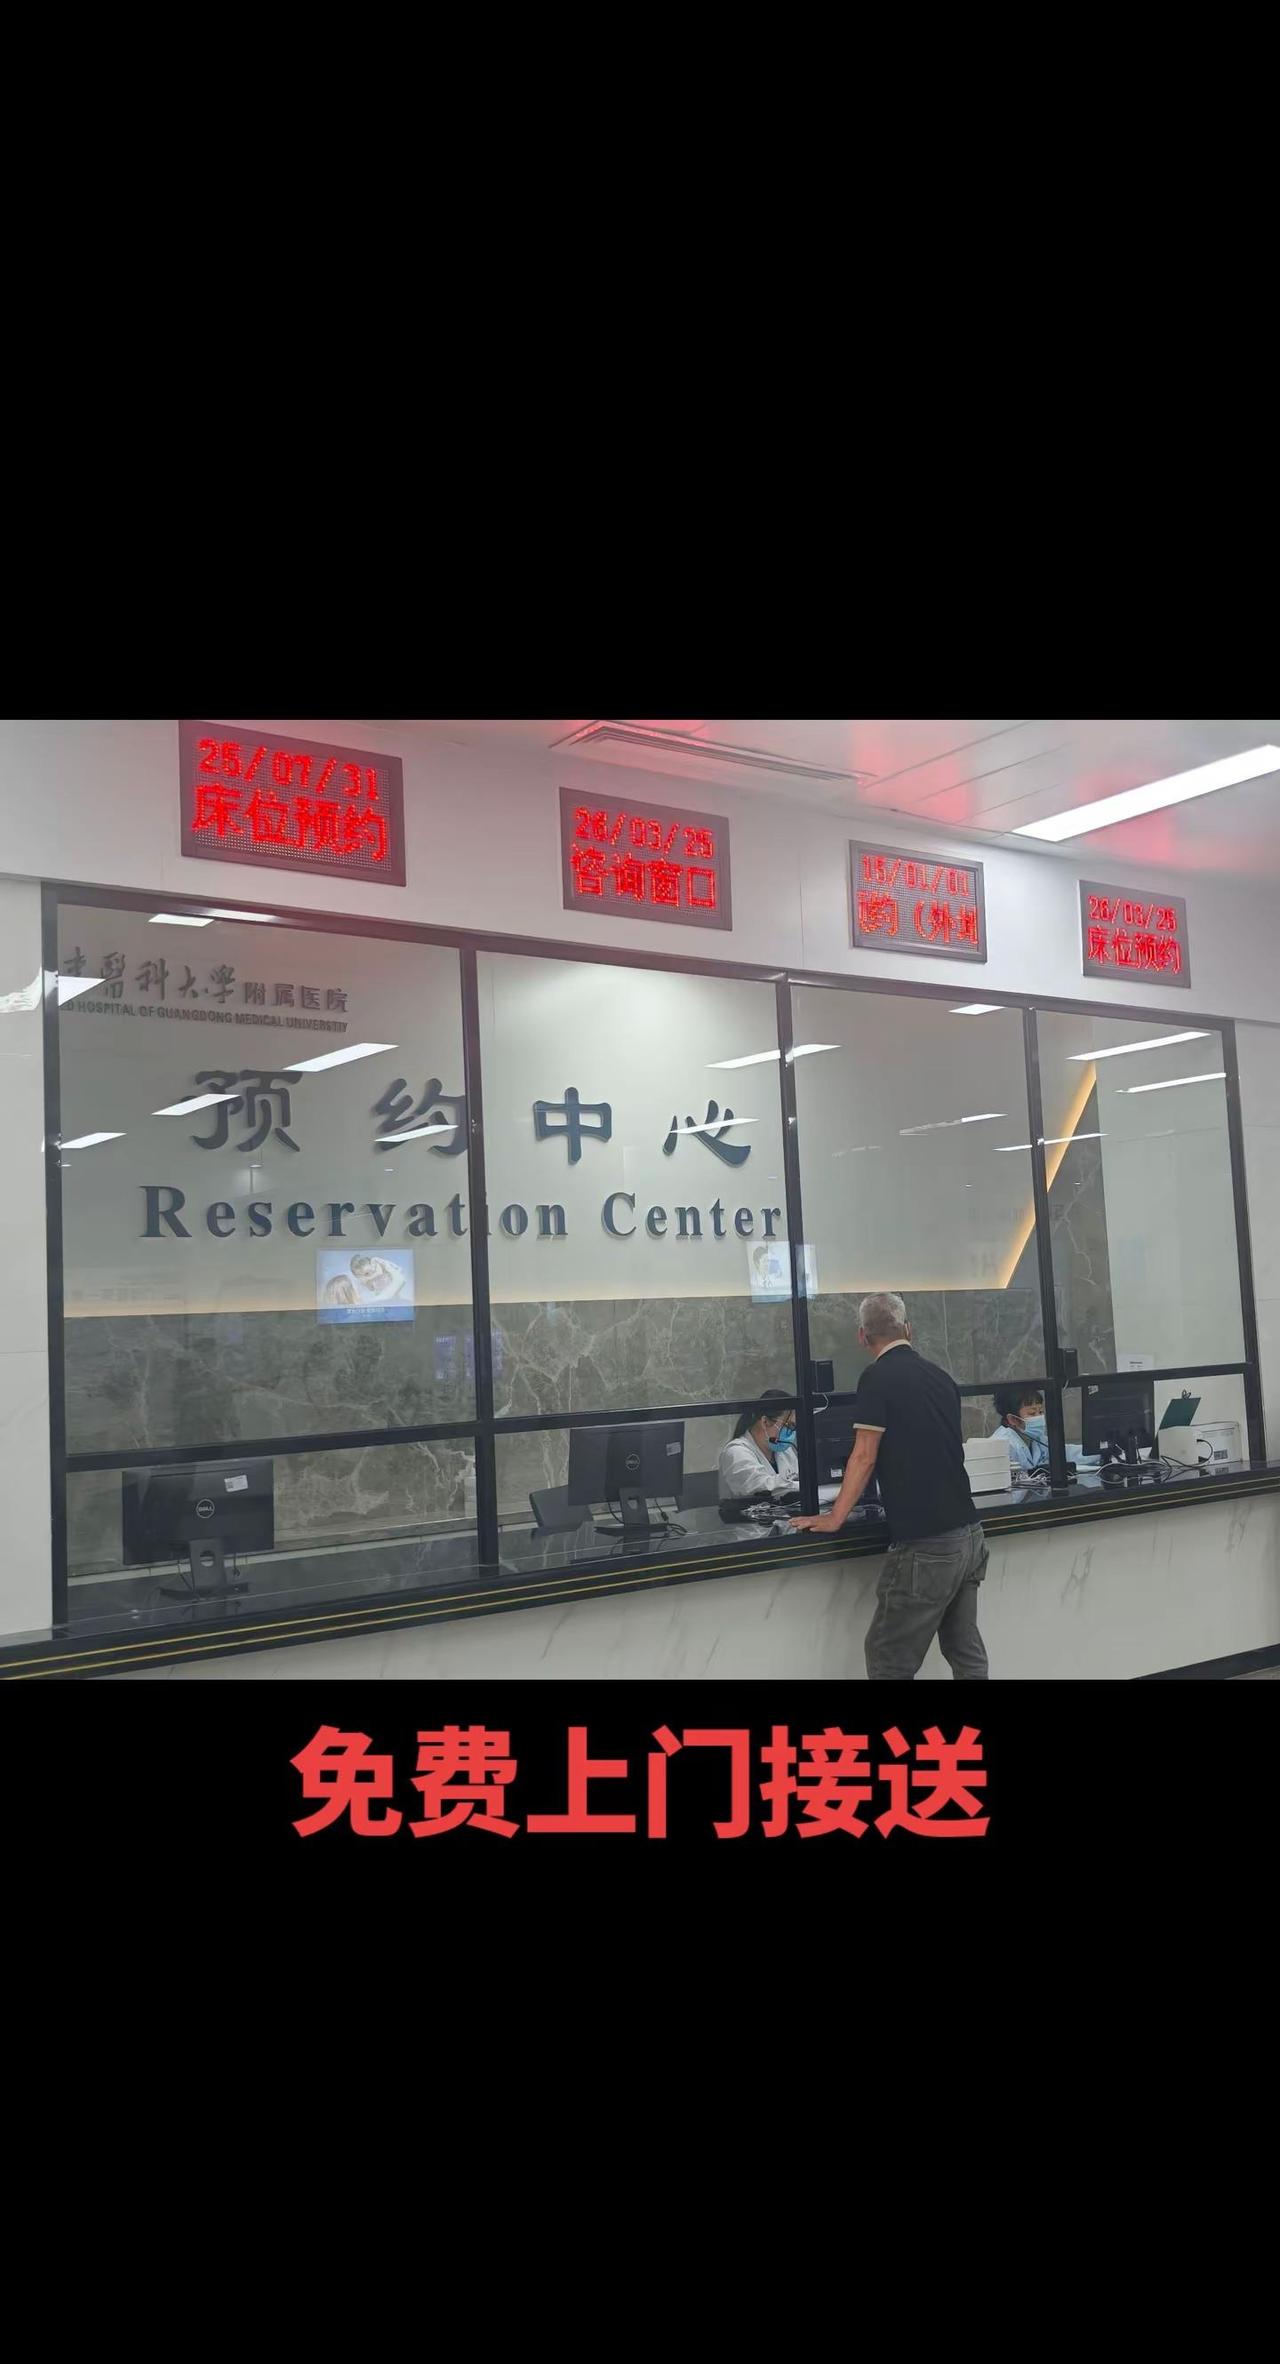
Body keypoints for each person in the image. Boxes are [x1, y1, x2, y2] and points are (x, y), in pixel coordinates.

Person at [791, 1292, 989, 1679]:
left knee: (887, 1657)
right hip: (969, 1535)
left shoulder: (877, 1378)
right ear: (908, 1330)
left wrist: (835, 1517)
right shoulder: (941, 1377)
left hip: (928, 1542)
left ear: (862, 1336)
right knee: (964, 1649)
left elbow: (864, 1455)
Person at [718, 1391, 799, 1501]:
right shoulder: (736, 1452)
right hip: (745, 1512)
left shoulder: (785, 1450)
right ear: (765, 1422)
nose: (791, 1432)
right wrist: (800, 1485)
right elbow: (760, 1487)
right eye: (789, 1425)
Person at [991, 1386, 1049, 1474]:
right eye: (1032, 1413)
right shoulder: (1001, 1445)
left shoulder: (1039, 1439)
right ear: (1013, 1419)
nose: (1039, 1417)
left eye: (1040, 1412)